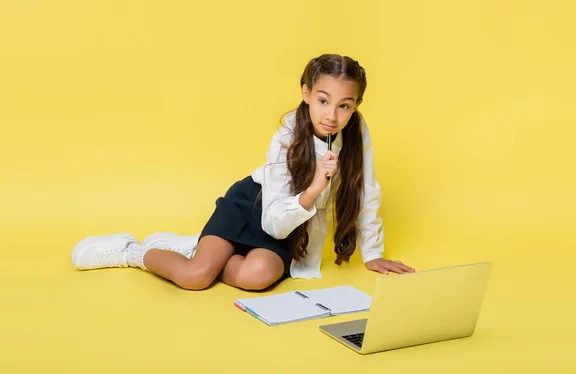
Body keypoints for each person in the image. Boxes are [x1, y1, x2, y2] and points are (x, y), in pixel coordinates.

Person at [70, 54, 415, 291]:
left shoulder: (356, 130)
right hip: (256, 206)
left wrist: (373, 254)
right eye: (323, 100)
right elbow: (272, 220)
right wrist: (312, 188)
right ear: (306, 93)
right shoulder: (286, 136)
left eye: (345, 105)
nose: (332, 115)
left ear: (356, 106)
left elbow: (366, 188)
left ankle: (199, 246)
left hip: (289, 227)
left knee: (258, 276)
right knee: (196, 278)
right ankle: (131, 251)